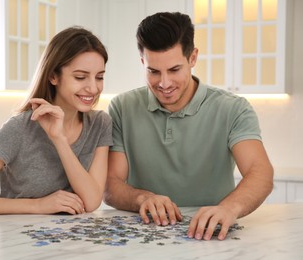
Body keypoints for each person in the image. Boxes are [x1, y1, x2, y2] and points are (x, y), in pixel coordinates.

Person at [103, 12, 274, 241]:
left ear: (192, 58)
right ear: (142, 62)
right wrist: (142, 198)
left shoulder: (233, 108)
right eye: (153, 71)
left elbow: (260, 173)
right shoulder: (122, 107)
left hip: (211, 236)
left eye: (174, 70)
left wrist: (228, 209)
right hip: (143, 236)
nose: (164, 83)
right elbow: (110, 185)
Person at [0, 26, 112, 215]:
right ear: (53, 76)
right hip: (18, 239)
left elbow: (92, 201)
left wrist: (59, 139)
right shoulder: (20, 128)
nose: (93, 87)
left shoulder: (100, 123)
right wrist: (38, 205)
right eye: (80, 77)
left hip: (70, 242)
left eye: (99, 77)